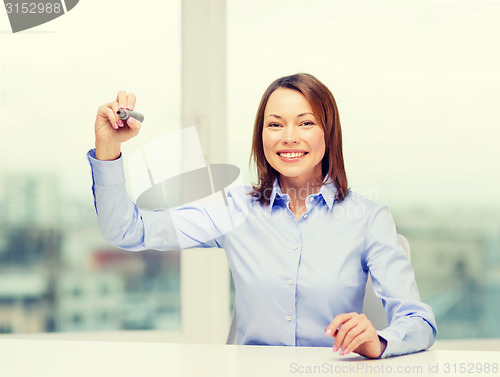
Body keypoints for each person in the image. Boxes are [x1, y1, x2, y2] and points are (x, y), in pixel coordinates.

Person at [87, 73, 437, 358]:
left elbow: (418, 320)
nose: (289, 138)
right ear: (261, 135)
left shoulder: (368, 218)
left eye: (305, 123)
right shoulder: (233, 209)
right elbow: (126, 230)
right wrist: (108, 147)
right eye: (275, 125)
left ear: (328, 133)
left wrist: (379, 341)